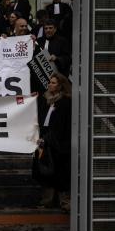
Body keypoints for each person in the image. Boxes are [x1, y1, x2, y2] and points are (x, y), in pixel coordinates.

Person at [32, 72, 72, 212]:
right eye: (50, 81)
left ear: (60, 85)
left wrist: (49, 137)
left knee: (61, 172)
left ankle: (65, 202)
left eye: (54, 82)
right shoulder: (46, 99)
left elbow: (61, 125)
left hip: (60, 143)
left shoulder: (66, 102)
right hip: (46, 141)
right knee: (46, 171)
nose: (50, 84)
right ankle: (47, 200)